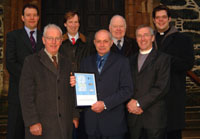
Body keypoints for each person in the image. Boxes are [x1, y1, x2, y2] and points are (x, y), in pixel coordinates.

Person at [19, 24, 79, 139]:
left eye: (57, 38)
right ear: (43, 40)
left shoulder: (67, 63)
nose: (54, 42)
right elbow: (26, 95)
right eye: (50, 38)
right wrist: (32, 122)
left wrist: (75, 115)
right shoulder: (31, 62)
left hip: (64, 126)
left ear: (61, 41)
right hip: (41, 126)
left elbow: (71, 92)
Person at [70, 29, 133, 139]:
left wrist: (104, 104)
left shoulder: (122, 62)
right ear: (94, 43)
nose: (102, 45)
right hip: (91, 123)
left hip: (114, 124)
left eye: (105, 41)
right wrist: (75, 83)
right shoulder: (86, 62)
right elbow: (82, 87)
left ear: (111, 42)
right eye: (98, 41)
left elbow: (127, 90)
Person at [152, 5, 194, 139]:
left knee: (173, 134)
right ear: (153, 20)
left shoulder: (183, 40)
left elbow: (188, 63)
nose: (161, 20)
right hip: (153, 99)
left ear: (169, 19)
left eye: (164, 17)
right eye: (157, 18)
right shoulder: (148, 40)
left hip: (173, 96)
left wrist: (165, 59)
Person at [5, 4, 43, 139]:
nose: (31, 18)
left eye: (34, 15)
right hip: (18, 92)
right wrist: (30, 76)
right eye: (28, 15)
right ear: (22, 17)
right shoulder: (13, 36)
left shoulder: (46, 37)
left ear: (38, 17)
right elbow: (10, 62)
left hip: (41, 93)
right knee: (15, 131)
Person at [127, 25, 170, 139]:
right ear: (136, 39)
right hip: (134, 118)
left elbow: (161, 88)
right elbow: (126, 85)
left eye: (146, 35)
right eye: (139, 36)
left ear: (152, 38)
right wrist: (130, 103)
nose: (142, 39)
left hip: (154, 118)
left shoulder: (163, 59)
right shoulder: (130, 60)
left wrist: (139, 103)